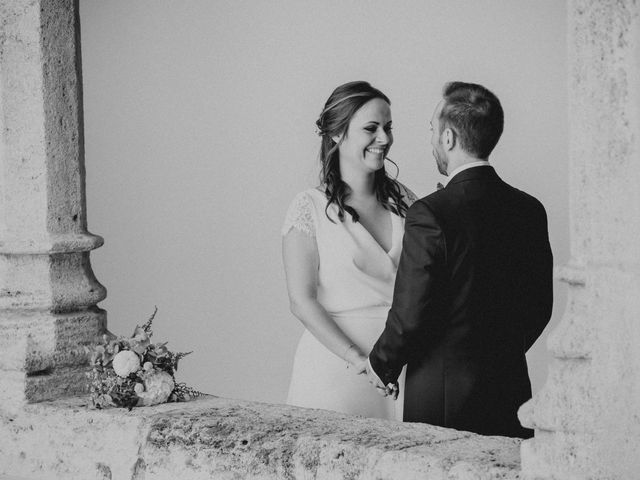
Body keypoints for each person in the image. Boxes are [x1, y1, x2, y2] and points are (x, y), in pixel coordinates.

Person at [361, 81, 553, 438]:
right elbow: (540, 306)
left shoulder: (431, 213)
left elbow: (411, 311)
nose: (431, 139)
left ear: (448, 138)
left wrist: (380, 364)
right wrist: (500, 351)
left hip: (443, 398)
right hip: (510, 390)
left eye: (433, 131)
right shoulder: (529, 209)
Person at [282, 81, 417, 420]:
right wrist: (358, 359)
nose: (384, 139)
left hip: (403, 370)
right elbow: (302, 301)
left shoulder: (407, 203)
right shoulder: (308, 208)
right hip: (336, 371)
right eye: (371, 128)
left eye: (388, 127)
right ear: (338, 134)